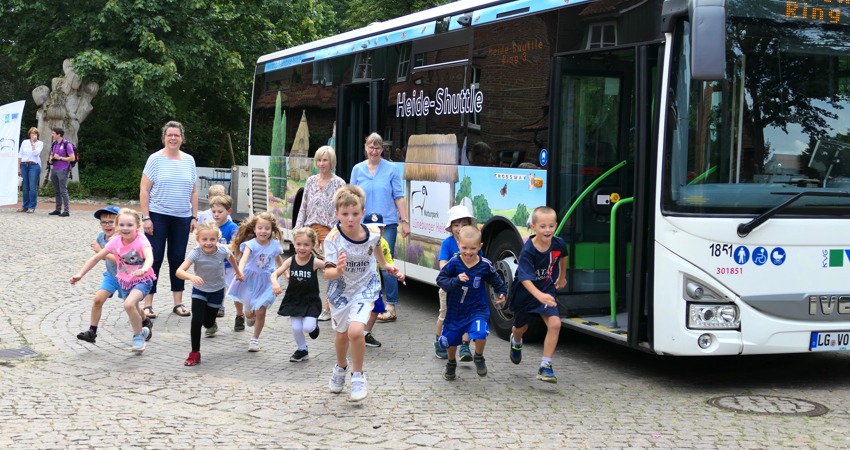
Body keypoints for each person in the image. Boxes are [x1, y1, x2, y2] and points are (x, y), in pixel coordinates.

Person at [323, 185, 404, 402]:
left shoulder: (373, 233)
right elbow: (327, 274)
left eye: (355, 214)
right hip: (340, 291)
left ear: (363, 212)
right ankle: (341, 367)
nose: (350, 219)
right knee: (341, 334)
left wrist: (386, 265)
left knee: (356, 332)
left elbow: (375, 247)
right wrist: (338, 270)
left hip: (365, 288)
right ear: (337, 214)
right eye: (345, 214)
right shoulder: (332, 239)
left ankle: (357, 376)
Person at [70, 208, 155, 353]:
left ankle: (138, 336)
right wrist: (80, 274)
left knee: (129, 305)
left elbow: (149, 256)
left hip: (142, 279)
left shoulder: (141, 240)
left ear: (138, 227)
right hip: (124, 280)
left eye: (129, 225)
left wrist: (145, 268)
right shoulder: (115, 241)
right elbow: (96, 258)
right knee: (130, 306)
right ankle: (143, 329)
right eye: (121, 225)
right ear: (118, 226)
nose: (125, 228)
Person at [140, 120, 198, 319]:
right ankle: (148, 304)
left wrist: (194, 216)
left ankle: (178, 302)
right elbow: (144, 190)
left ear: (182, 138)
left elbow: (194, 190)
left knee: (177, 259)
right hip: (157, 216)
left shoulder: (189, 160)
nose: (173, 138)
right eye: (169, 135)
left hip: (182, 217)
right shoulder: (155, 159)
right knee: (154, 258)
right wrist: (146, 217)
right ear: (164, 137)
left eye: (177, 135)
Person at [350, 133, 410, 323]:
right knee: (362, 263)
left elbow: (398, 196)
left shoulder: (391, 169)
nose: (374, 151)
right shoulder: (357, 169)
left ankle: (391, 305)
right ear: (365, 148)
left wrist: (405, 221)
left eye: (377, 147)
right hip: (363, 224)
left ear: (382, 149)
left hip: (387, 224)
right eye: (371, 147)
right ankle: (363, 302)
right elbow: (352, 197)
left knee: (386, 261)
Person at [436, 225, 507, 380]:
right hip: (455, 311)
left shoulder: (484, 264)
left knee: (481, 332)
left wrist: (502, 292)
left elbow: (496, 279)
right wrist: (456, 280)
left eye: (473, 249)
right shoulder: (454, 263)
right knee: (451, 341)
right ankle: (451, 362)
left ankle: (479, 356)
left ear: (480, 247)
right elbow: (441, 280)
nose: (468, 252)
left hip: (477, 308)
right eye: (464, 248)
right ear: (458, 245)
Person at [509, 206, 568, 383]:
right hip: (525, 294)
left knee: (555, 323)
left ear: (556, 225)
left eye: (551, 226)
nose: (547, 230)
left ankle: (545, 366)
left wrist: (562, 276)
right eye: (542, 226)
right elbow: (525, 279)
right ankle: (516, 340)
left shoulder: (559, 243)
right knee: (521, 327)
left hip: (546, 290)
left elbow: (563, 255)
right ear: (533, 227)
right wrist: (539, 296)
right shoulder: (528, 251)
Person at [176, 222, 244, 366]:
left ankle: (211, 321)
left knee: (207, 323)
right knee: (197, 320)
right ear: (198, 239)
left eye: (212, 239)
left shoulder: (222, 250)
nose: (208, 243)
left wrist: (238, 272)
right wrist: (191, 277)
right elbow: (179, 271)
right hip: (199, 290)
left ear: (217, 239)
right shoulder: (196, 252)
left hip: (217, 291)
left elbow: (231, 257)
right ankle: (194, 352)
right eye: (204, 240)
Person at [294, 146, 346, 322]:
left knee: (328, 269)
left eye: (325, 160)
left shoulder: (339, 183)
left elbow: (343, 209)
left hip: (329, 231)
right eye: (319, 160)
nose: (322, 163)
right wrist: (298, 229)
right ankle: (306, 304)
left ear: (332, 162)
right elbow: (304, 206)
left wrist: (339, 232)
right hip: (310, 230)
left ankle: (328, 307)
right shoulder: (310, 181)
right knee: (306, 269)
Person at [228, 212, 284, 352]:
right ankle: (248, 313)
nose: (263, 231)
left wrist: (286, 272)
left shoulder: (275, 245)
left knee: (261, 311)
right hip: (250, 279)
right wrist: (240, 271)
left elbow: (278, 260)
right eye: (260, 228)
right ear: (254, 229)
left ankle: (255, 339)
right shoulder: (250, 244)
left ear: (272, 230)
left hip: (267, 281)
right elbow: (244, 259)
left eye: (267, 228)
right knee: (249, 314)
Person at [434, 205, 482, 360]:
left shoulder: (474, 243)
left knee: (468, 316)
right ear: (451, 227)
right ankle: (439, 341)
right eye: (456, 225)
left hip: (469, 289)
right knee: (445, 315)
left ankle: (465, 347)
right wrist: (453, 271)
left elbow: (481, 262)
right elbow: (442, 263)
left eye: (463, 224)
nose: (460, 228)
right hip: (450, 287)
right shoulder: (448, 243)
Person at [272, 227, 325, 362]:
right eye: (298, 244)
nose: (302, 248)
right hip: (294, 300)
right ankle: (302, 349)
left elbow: (331, 269)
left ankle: (314, 327)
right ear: (293, 244)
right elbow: (275, 274)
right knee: (296, 328)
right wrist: (275, 284)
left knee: (308, 327)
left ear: (313, 245)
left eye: (306, 245)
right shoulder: (291, 261)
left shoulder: (315, 262)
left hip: (310, 300)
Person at [361, 212, 396, 349]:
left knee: (377, 309)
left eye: (378, 228)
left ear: (383, 229)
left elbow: (388, 262)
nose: (375, 232)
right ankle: (352, 334)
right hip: (358, 284)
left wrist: (396, 272)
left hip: (374, 284)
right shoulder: (360, 242)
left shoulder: (383, 244)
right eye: (371, 229)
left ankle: (365, 334)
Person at [207, 195, 242, 326]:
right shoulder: (211, 227)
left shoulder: (232, 227)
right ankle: (212, 321)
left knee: (234, 293)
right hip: (215, 266)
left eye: (220, 212)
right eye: (214, 211)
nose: (216, 214)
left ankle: (240, 315)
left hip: (230, 266)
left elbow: (234, 245)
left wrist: (219, 246)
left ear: (229, 211)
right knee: (214, 292)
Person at [47, 127, 75, 217]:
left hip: (63, 169)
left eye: (53, 133)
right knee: (57, 190)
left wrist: (61, 158)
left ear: (59, 134)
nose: (52, 135)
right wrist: (50, 159)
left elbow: (72, 157)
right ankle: (58, 209)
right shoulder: (54, 144)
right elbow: (51, 154)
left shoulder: (67, 144)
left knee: (63, 190)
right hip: (54, 169)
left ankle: (66, 210)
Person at [17, 127, 43, 213]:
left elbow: (36, 153)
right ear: (29, 134)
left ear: (37, 135)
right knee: (25, 187)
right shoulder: (24, 142)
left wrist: (33, 143)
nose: (33, 135)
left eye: (35, 133)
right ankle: (25, 205)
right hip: (24, 165)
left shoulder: (40, 143)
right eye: (32, 133)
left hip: (34, 166)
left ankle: (32, 207)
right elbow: (20, 154)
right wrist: (18, 167)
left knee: (32, 187)